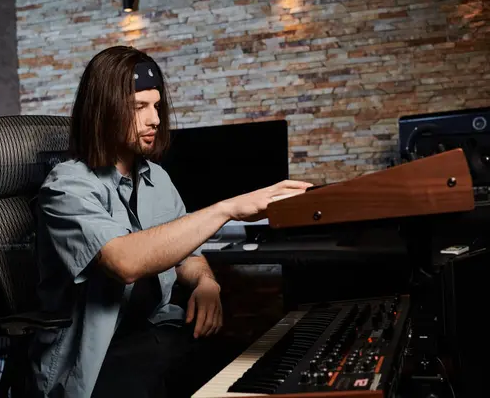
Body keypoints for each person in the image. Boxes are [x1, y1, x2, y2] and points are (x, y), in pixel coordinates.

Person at [29, 45, 312, 398]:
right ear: (105, 112)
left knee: (258, 363)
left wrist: (206, 283)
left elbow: (186, 253)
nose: (156, 119)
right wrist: (227, 209)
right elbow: (125, 262)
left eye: (157, 106)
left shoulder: (157, 178)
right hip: (99, 359)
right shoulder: (66, 186)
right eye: (139, 107)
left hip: (157, 330)